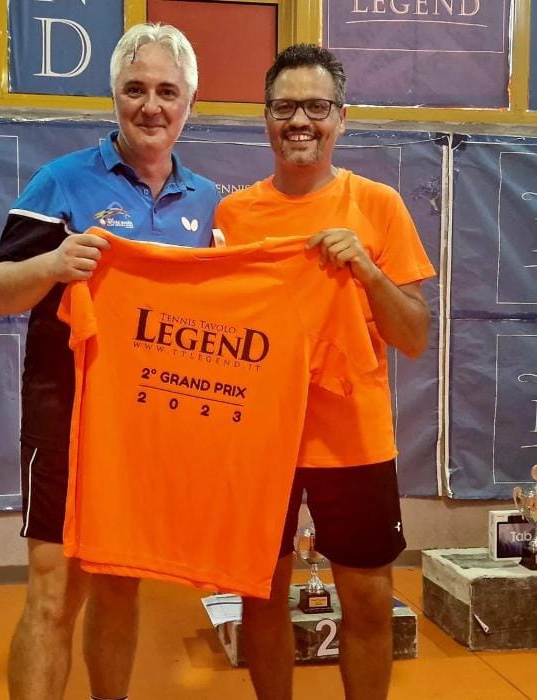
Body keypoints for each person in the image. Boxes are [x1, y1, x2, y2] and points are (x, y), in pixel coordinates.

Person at [0, 23, 219, 700]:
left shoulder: (210, 204)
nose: (151, 105)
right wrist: (54, 264)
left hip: (146, 423)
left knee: (119, 586)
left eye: (167, 91)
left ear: (189, 102)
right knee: (54, 589)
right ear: (114, 96)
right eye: (135, 89)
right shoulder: (61, 181)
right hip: (64, 414)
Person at [214, 44, 435, 700]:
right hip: (259, 439)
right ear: (266, 117)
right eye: (285, 107)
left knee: (367, 601)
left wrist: (367, 272)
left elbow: (413, 336)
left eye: (316, 106)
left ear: (341, 116)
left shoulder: (378, 204)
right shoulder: (232, 217)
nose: (300, 121)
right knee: (260, 599)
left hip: (354, 440)